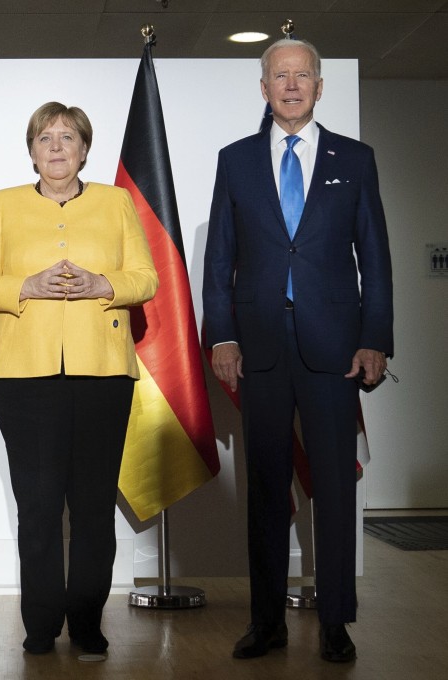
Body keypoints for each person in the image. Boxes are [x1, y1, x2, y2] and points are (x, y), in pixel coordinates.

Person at [203, 38, 393, 663]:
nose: (290, 85)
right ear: (263, 88)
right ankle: (267, 622)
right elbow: (219, 260)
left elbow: (376, 259)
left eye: (301, 75)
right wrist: (222, 334)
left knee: (335, 487)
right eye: (278, 75)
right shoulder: (234, 161)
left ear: (318, 85)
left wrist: (375, 338)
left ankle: (336, 623)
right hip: (258, 346)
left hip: (335, 347)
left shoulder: (355, 159)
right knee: (263, 488)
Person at [0, 102, 158, 655]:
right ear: (31, 150)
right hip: (26, 377)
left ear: (84, 149)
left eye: (67, 137)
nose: (56, 147)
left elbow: (147, 277)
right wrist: (28, 285)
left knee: (94, 505)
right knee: (40, 505)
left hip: (103, 374)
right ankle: (41, 625)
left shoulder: (116, 202)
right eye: (45, 138)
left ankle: (89, 622)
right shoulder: (5, 204)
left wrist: (103, 284)